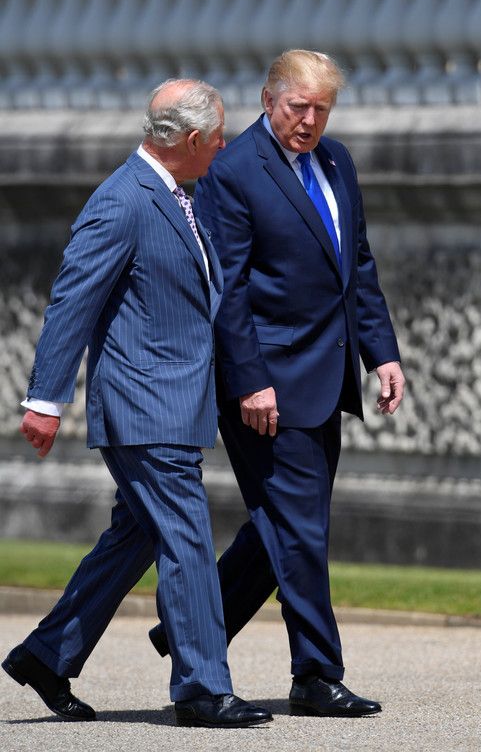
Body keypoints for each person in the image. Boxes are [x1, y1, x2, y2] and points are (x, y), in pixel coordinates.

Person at [1, 79, 272, 729]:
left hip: (174, 402)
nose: (224, 147)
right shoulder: (122, 201)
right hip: (145, 406)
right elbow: (72, 300)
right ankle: (202, 687)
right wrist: (45, 400)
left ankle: (47, 654)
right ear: (191, 139)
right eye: (217, 138)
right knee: (185, 536)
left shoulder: (178, 194)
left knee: (139, 535)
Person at [150, 50, 405, 718]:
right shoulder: (234, 171)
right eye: (298, 107)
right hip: (266, 386)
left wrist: (381, 354)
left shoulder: (337, 161)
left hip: (327, 374)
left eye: (321, 109)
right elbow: (227, 289)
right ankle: (316, 674)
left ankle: (185, 629)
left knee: (285, 525)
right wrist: (250, 381)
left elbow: (358, 267)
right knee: (301, 529)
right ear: (269, 101)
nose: (309, 121)